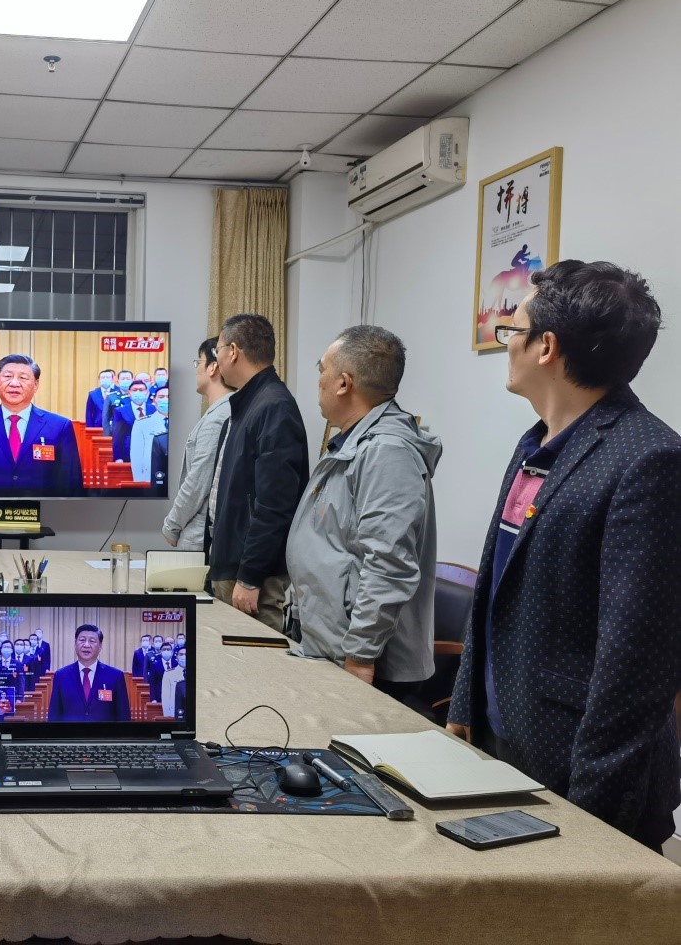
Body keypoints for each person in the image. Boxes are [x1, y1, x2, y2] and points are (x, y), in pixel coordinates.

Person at [447, 260, 681, 852]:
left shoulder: (650, 459)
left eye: (514, 330)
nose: (507, 344)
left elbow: (638, 661)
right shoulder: (536, 444)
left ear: (547, 347)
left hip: (581, 766)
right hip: (507, 735)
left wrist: (591, 811)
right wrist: (466, 700)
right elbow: (496, 586)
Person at [285, 326, 442, 701]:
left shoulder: (386, 450)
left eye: (322, 369)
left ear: (343, 383)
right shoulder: (355, 442)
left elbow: (388, 562)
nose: (318, 379)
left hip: (364, 663)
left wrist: (360, 654)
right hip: (333, 644)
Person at [208, 313, 309, 630]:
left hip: (251, 578)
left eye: (218, 350)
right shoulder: (250, 403)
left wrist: (250, 576)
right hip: (235, 567)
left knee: (253, 659)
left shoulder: (273, 406)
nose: (216, 360)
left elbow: (274, 504)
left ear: (233, 351)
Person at [0, 354, 83, 495]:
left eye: (23, 378)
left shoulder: (60, 426)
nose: (14, 383)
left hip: (43, 508)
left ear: (36, 385)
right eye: (8, 376)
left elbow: (70, 483)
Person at [163, 337, 233, 551]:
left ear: (213, 367)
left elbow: (197, 481)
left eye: (198, 362)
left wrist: (172, 525)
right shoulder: (224, 411)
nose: (197, 369)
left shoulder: (219, 417)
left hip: (200, 537)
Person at [46, 625, 131, 722]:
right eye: (82, 640)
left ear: (100, 646)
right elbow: (54, 715)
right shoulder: (61, 676)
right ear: (75, 644)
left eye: (92, 641)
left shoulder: (115, 676)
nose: (86, 645)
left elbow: (124, 716)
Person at [111, 378, 155, 463]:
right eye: (134, 390)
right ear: (129, 393)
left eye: (141, 390)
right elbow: (117, 437)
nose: (138, 392)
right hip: (129, 453)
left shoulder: (154, 409)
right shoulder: (120, 411)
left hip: (151, 453)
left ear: (146, 392)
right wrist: (118, 458)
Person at [131, 385, 168, 483]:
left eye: (168, 397)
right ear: (154, 401)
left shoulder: (182, 422)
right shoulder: (141, 423)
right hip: (150, 476)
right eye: (161, 397)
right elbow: (136, 456)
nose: (165, 400)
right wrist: (140, 481)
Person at [146, 640, 177, 705]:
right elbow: (152, 683)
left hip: (175, 696)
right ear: (161, 651)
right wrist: (153, 699)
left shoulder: (176, 664)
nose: (166, 651)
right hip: (160, 696)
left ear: (172, 652)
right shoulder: (155, 665)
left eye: (168, 649)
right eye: (164, 649)